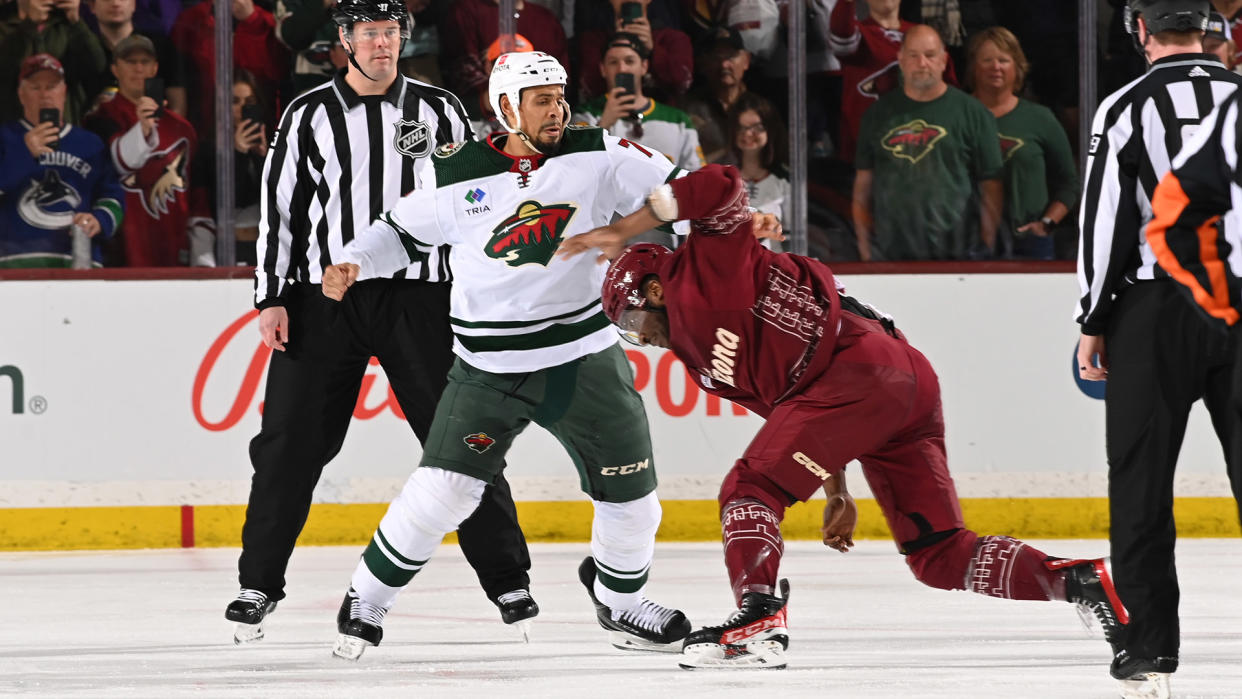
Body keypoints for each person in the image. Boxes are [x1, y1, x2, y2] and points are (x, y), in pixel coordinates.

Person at [555, 163, 1124, 671]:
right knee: (936, 553)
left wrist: (624, 228)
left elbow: (723, 184)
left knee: (747, 487)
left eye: (631, 320)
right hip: (894, 382)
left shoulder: (701, 270)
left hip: (858, 371)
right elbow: (791, 414)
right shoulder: (702, 366)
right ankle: (1082, 582)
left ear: (654, 288)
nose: (638, 339)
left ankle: (757, 618)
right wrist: (836, 487)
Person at [318, 50, 692, 661]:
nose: (558, 108)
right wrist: (357, 261)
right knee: (443, 492)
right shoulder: (456, 169)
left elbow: (678, 192)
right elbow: (399, 232)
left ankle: (621, 603)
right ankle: (366, 598)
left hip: (583, 356)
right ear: (505, 108)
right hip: (488, 369)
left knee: (634, 498)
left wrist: (727, 222)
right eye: (542, 98)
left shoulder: (598, 152)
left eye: (561, 95)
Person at [225, 0, 535, 646]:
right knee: (288, 442)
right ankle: (258, 582)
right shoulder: (307, 114)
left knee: (463, 435)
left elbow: (467, 199)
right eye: (368, 32)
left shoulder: (441, 109)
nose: (381, 43)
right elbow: (281, 208)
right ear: (344, 40)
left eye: (391, 31)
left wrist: (483, 278)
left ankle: (509, 577)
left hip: (421, 298)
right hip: (325, 299)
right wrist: (271, 298)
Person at [1075, 2, 1242, 696]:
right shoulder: (1237, 99)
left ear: (1140, 30)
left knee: (1141, 481)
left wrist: (1093, 317)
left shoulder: (1123, 107)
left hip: (1154, 308)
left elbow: (1106, 219)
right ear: (1210, 28)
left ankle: (1147, 649)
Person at [852, 25, 1001, 261]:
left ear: (943, 60)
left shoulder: (973, 113)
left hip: (959, 251)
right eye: (913, 55)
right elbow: (862, 189)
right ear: (900, 60)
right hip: (892, 252)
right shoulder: (877, 114)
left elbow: (991, 186)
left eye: (930, 55)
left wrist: (986, 245)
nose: (922, 63)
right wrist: (866, 250)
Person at [83, 34, 213, 267]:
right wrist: (143, 129)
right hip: (120, 253)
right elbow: (119, 161)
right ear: (115, 68)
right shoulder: (98, 120)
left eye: (145, 62)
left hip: (174, 252)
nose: (138, 68)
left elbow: (198, 199)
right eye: (130, 62)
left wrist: (202, 256)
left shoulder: (182, 129)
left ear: (155, 68)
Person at [0, 53, 123, 268]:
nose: (44, 95)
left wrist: (99, 220)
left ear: (64, 92)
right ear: (21, 94)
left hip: (77, 261)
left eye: (52, 86)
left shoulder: (90, 143)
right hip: (14, 264)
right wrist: (24, 155)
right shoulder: (5, 137)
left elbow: (112, 195)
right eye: (35, 87)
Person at [966, 26, 1077, 261]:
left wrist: (1046, 224)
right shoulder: (958, 114)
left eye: (1003, 60)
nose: (995, 67)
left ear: (1018, 67)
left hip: (1029, 243)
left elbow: (1070, 183)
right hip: (967, 241)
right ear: (973, 67)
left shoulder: (1040, 118)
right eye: (987, 60)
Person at [829, 0, 954, 164]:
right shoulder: (859, 33)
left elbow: (950, 92)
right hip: (868, 153)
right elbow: (842, 35)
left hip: (922, 149)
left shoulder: (925, 37)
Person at [572, 32, 704, 171]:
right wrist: (603, 125)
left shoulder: (678, 121)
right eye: (613, 62)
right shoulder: (585, 115)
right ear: (603, 69)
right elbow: (574, 169)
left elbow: (697, 177)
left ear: (644, 66)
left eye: (629, 61)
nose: (622, 69)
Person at [439, 0, 569, 121]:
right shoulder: (466, 11)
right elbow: (463, 96)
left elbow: (563, 87)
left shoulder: (547, 20)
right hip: (484, 124)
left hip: (543, 121)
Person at [0, 0, 108, 123]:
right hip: (14, 126)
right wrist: (29, 25)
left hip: (64, 123)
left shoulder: (67, 25)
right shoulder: (4, 25)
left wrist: (76, 21)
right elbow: (5, 70)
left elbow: (97, 66)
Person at [574, 0, 693, 101]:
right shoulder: (593, 40)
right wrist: (617, 44)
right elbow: (590, 88)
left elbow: (681, 84)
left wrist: (652, 49)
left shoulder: (673, 39)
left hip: (660, 119)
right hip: (607, 115)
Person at [85, 0, 187, 116]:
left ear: (133, 4)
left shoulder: (160, 47)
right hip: (97, 129)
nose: (115, 3)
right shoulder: (83, 48)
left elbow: (178, 106)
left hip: (154, 129)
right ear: (92, 6)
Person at [723, 92, 788, 250]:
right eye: (741, 128)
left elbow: (794, 233)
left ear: (770, 130)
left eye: (756, 128)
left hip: (774, 267)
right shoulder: (722, 179)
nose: (747, 134)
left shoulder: (785, 181)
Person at [681, 26, 752, 163]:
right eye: (716, 57)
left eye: (731, 56)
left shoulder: (761, 109)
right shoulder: (686, 109)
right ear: (702, 63)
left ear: (746, 60)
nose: (724, 64)